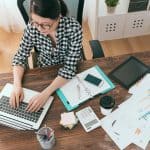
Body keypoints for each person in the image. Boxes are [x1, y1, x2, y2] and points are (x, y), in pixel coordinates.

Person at [10, 0, 83, 112]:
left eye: (46, 25)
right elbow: (20, 57)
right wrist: (16, 85)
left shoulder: (74, 28)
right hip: (45, 70)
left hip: (68, 76)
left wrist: (45, 94)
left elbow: (69, 69)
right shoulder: (32, 27)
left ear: (58, 17)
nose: (39, 28)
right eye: (35, 22)